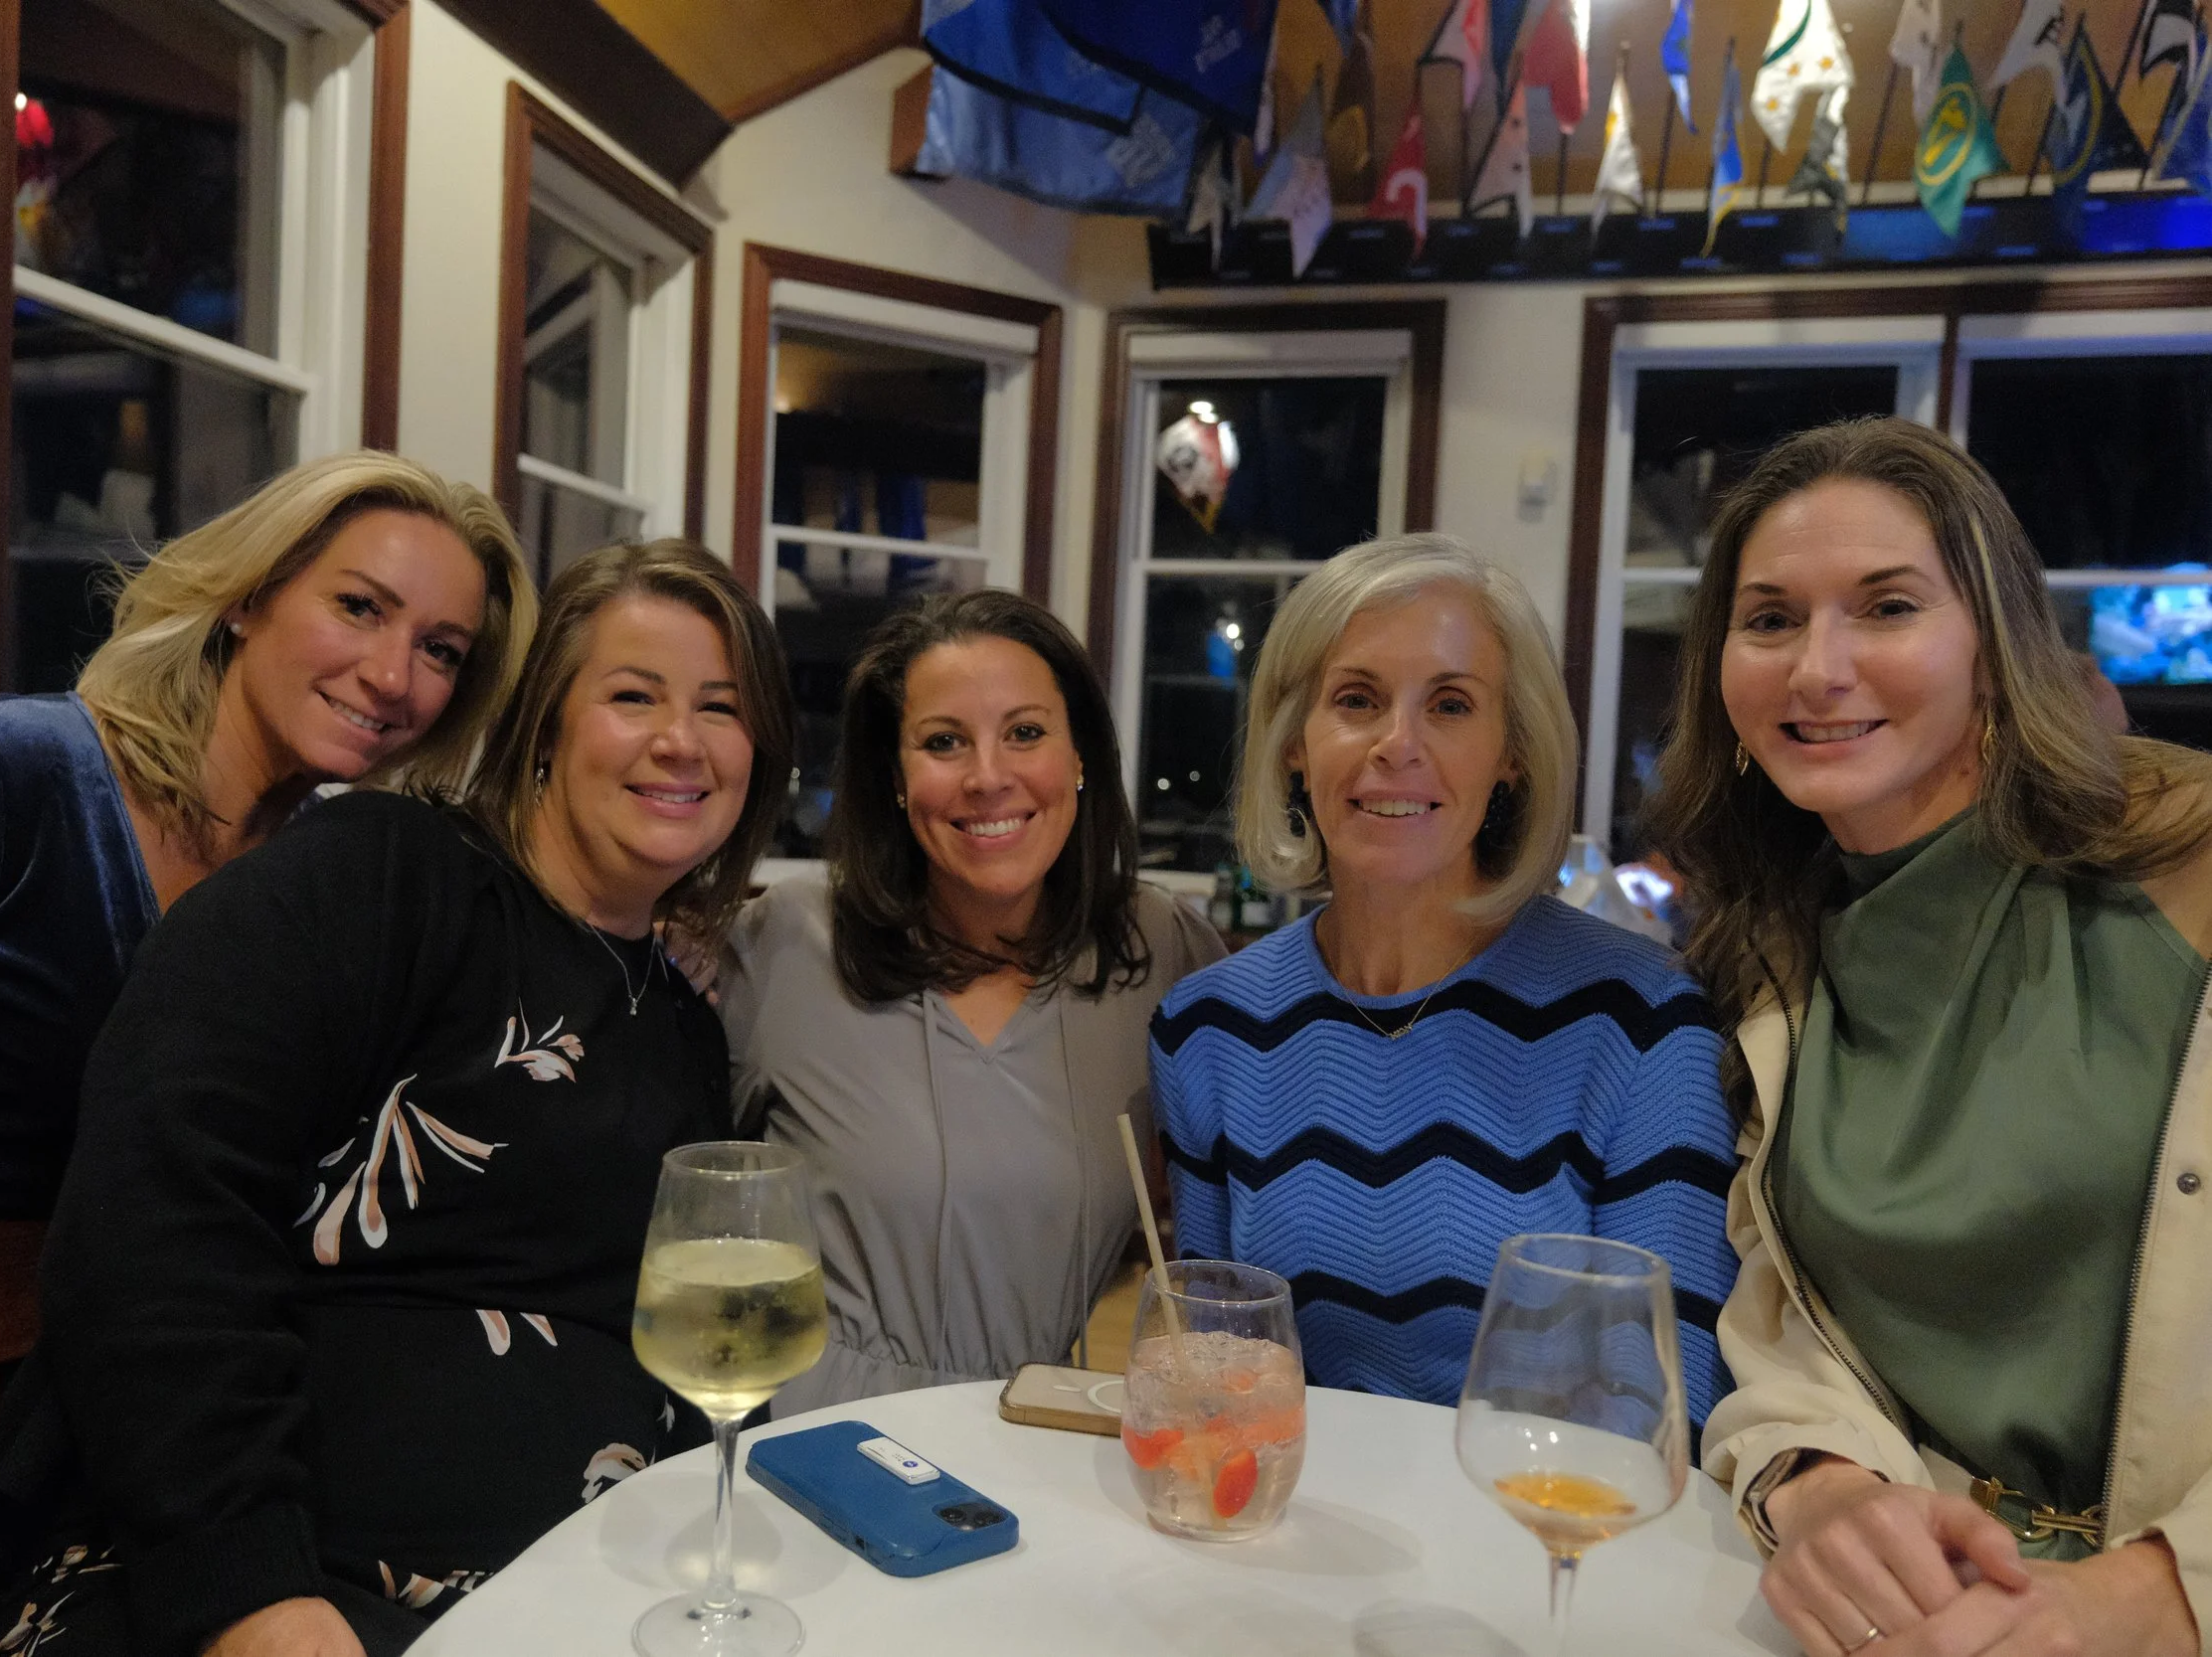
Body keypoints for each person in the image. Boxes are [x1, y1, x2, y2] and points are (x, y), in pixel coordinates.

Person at [0, 541, 796, 1656]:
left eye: (721, 707)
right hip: (256, 1582)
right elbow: (152, 1207)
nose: (680, 739)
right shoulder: (379, 878)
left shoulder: (684, 1021)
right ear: (546, 725)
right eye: (633, 696)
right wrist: (248, 1592)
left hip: (578, 1598)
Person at [1644, 418, 2211, 1657]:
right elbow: (1786, 1317)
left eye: (1887, 607)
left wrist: (2152, 1596)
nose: (1817, 669)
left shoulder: (2187, 863)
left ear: (1994, 648)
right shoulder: (1761, 949)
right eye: (1770, 618)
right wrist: (1822, 1486)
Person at [0, 451, 533, 1259]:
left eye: (441, 650)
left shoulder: (325, 883)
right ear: (249, 597)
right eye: (359, 606)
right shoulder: (0, 771)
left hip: (74, 1332)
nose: (393, 675)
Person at [1153, 535, 1739, 1421]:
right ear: (1294, 742)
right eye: (1356, 699)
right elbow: (1218, 1369)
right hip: (1295, 1507)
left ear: (1512, 752)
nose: (1398, 744)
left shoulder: (1642, 1020)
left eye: (1451, 704)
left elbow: (1664, 1415)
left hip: (1539, 1509)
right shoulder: (1208, 1030)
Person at [718, 588, 1224, 1412]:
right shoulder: (784, 943)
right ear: (896, 776)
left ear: (1080, 754)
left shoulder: (1161, 950)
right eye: (944, 741)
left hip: (1036, 1437)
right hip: (811, 1440)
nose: (989, 777)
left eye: (1025, 732)